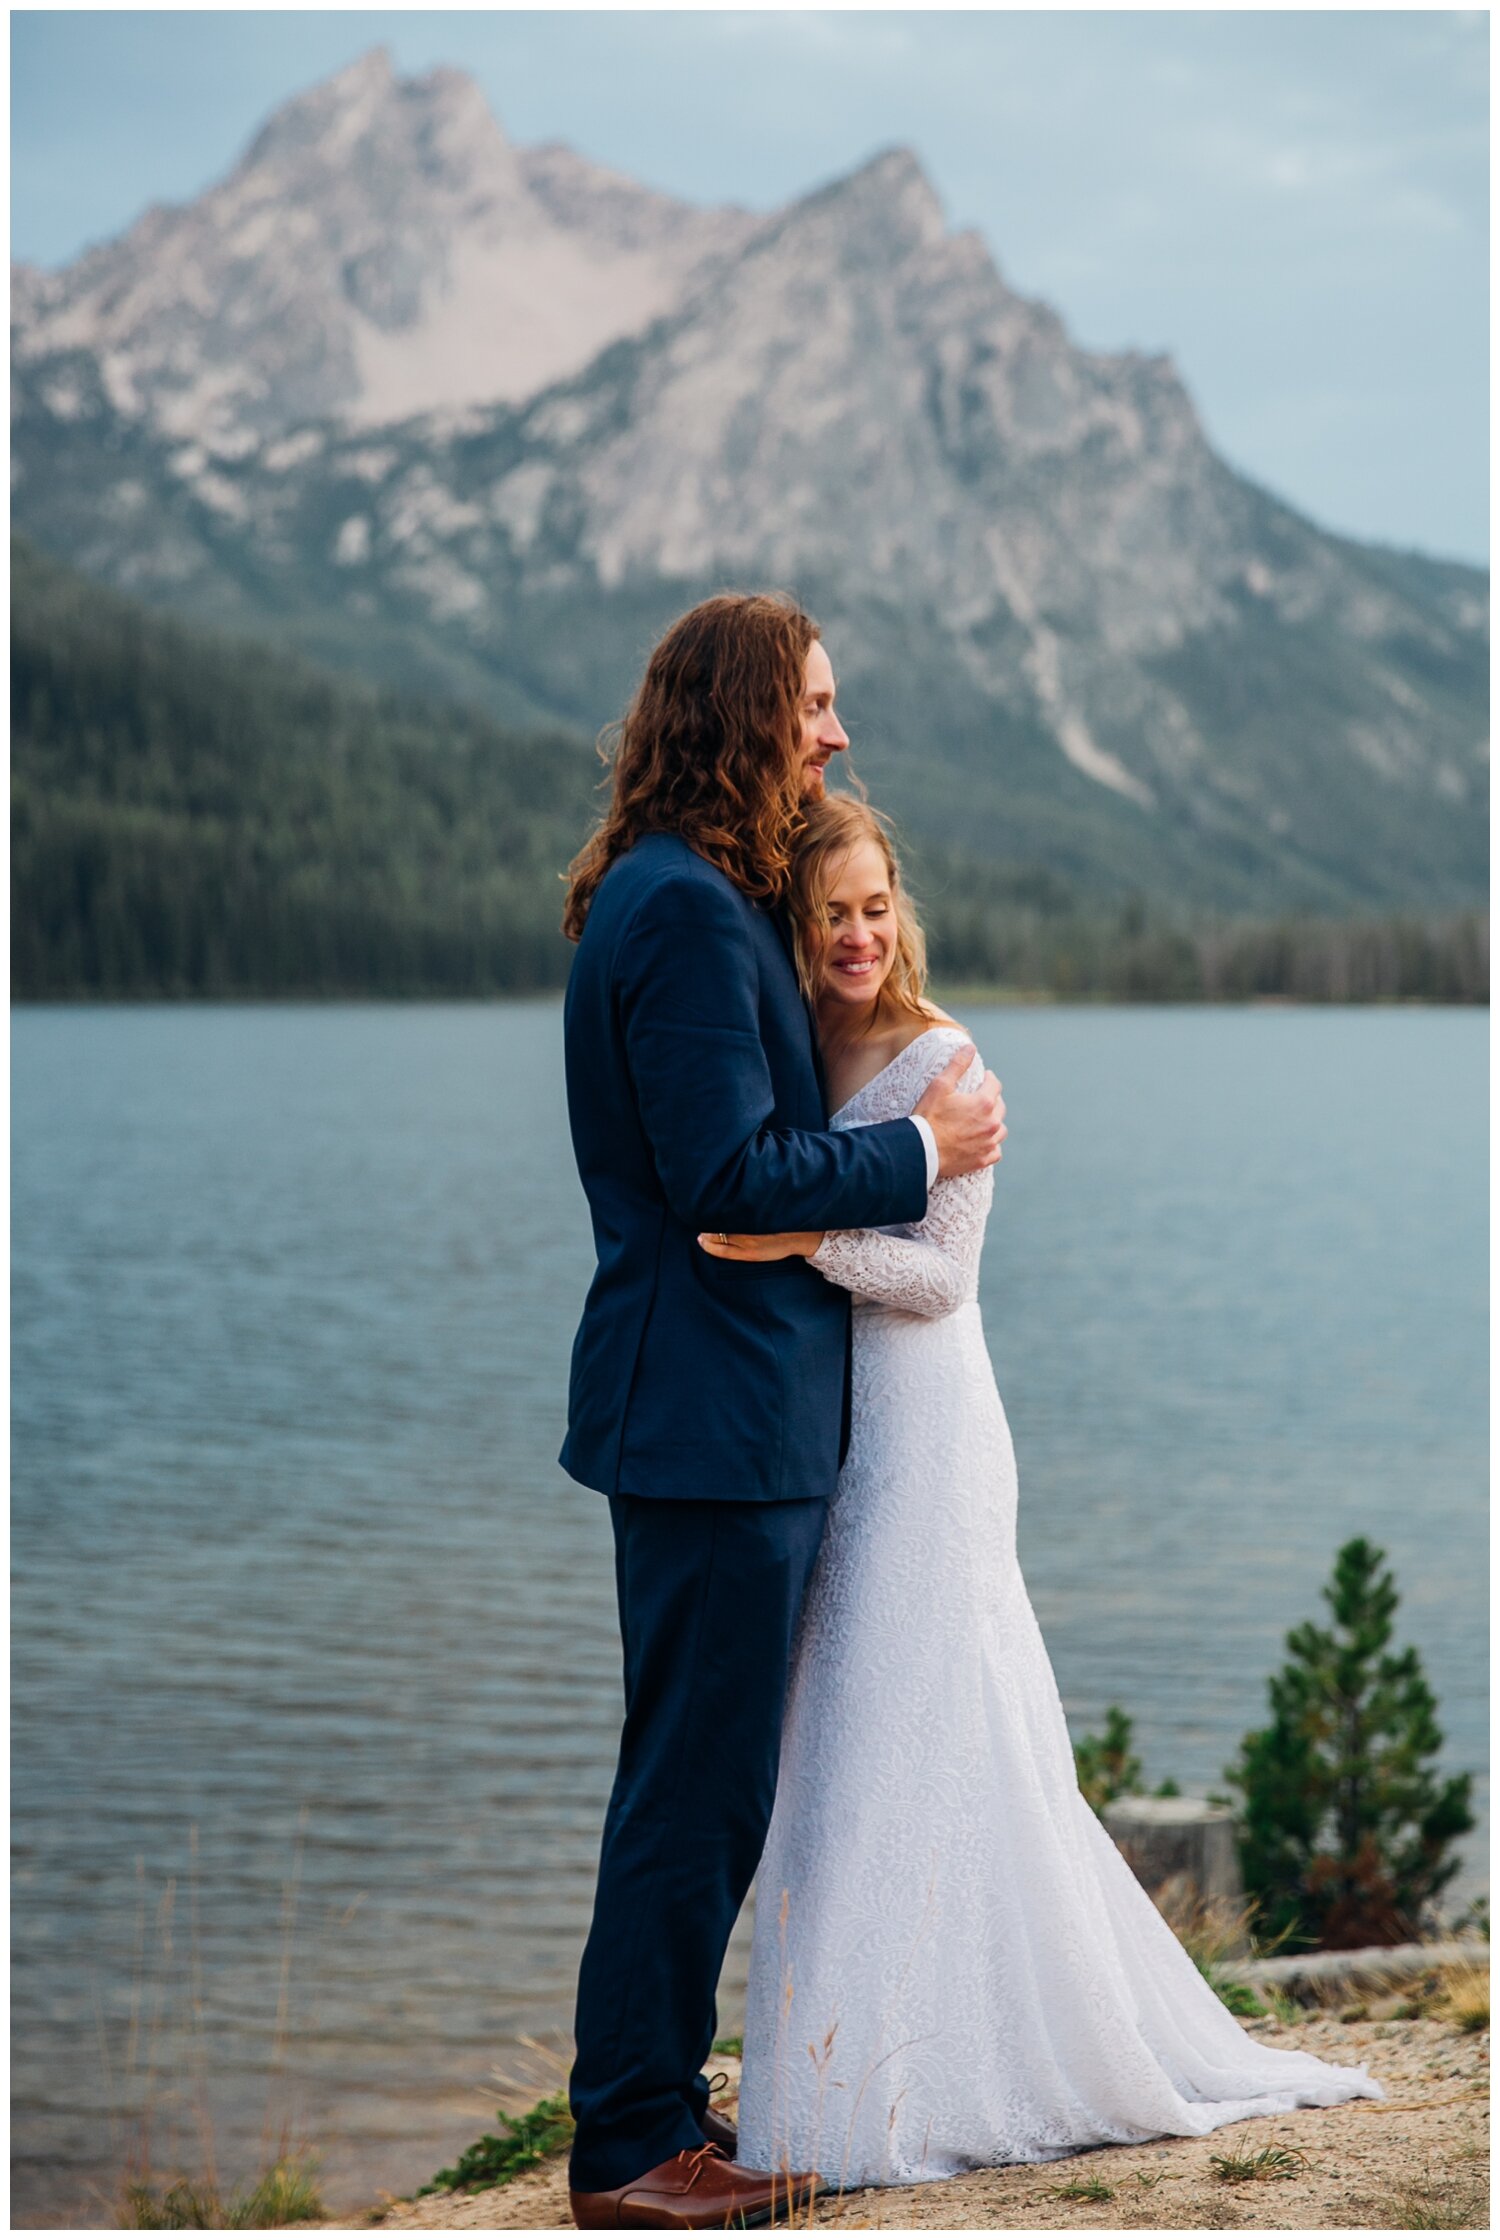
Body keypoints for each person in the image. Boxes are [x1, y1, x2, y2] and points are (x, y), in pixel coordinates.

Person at [704, 795, 1388, 2193]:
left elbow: (943, 1280)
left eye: (874, 907)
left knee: (927, 1715)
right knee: (843, 1728)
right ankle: (843, 2060)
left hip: (932, 1433)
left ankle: (951, 2071)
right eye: (829, 910)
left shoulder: (947, 1057)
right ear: (797, 920)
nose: (854, 934)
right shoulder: (793, 1046)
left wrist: (797, 1236)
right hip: (829, 1435)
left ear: (904, 913)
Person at [556, 594, 1007, 2229]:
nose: (832, 732)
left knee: (701, 1776)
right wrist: (919, 1156)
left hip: (716, 1417)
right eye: (810, 706)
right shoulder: (680, 913)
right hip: (710, 1422)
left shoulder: (687, 890)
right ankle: (628, 2148)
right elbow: (723, 1178)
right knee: (696, 1786)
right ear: (745, 714)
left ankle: (657, 2100)